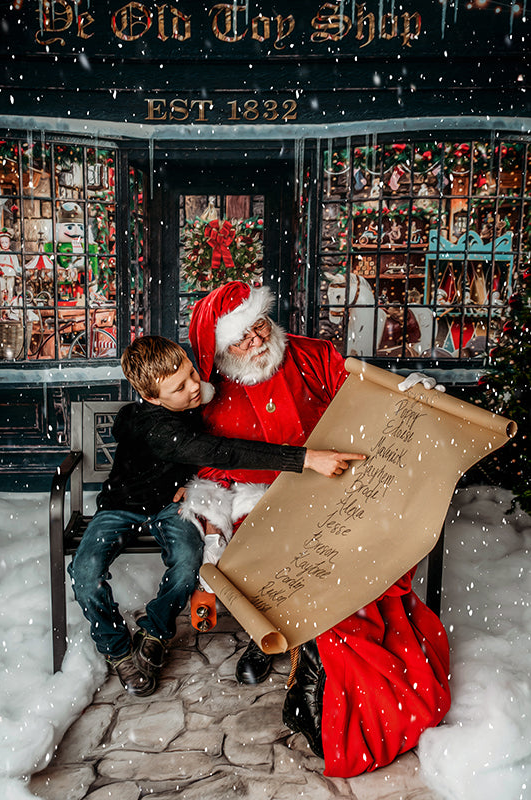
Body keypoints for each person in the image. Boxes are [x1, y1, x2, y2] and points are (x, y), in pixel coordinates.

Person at [183, 280, 451, 778]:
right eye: (241, 339)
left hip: (338, 497)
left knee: (355, 580)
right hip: (260, 513)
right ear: (221, 350)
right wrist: (213, 541)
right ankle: (306, 656)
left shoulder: (311, 355)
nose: (258, 342)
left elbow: (369, 398)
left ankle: (320, 668)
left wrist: (407, 394)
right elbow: (211, 474)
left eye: (259, 326)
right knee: (298, 573)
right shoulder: (211, 397)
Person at [68, 334, 359, 698]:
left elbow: (209, 434)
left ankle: (155, 630)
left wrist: (184, 478)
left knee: (189, 564)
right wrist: (304, 458)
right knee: (85, 572)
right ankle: (118, 649)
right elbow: (225, 451)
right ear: (151, 398)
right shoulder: (153, 426)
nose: (194, 387)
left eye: (192, 373)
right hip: (120, 506)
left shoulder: (191, 403)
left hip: (171, 505)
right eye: (180, 387)